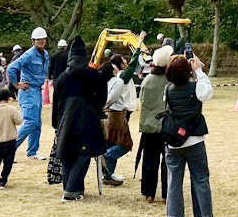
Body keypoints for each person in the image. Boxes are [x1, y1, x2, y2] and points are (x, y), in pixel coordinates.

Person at [164, 54, 219, 217]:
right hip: (194, 139)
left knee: (174, 180)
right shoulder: (196, 88)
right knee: (201, 179)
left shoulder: (168, 90)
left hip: (174, 141)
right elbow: (207, 92)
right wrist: (199, 71)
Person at [52, 36, 107, 201]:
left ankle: (73, 188)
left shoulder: (62, 78)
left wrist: (56, 124)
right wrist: (97, 112)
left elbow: (56, 103)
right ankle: (71, 191)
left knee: (68, 154)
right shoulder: (94, 75)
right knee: (84, 154)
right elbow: (102, 98)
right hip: (88, 119)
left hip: (66, 119)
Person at [7, 27, 50, 160]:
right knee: (30, 122)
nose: (41, 41)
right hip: (28, 91)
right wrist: (16, 85)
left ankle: (32, 152)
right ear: (33, 41)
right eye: (38, 40)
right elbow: (11, 68)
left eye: (43, 39)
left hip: (37, 90)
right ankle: (10, 150)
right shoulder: (28, 55)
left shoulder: (45, 54)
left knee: (37, 123)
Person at [138, 45, 172, 203]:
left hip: (149, 126)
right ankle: (167, 194)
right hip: (167, 126)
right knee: (168, 161)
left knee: (149, 161)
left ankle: (149, 193)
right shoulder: (171, 81)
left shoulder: (147, 80)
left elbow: (143, 101)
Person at [100, 53, 139, 186]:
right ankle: (106, 156)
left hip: (107, 114)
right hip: (116, 114)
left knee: (111, 141)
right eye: (123, 60)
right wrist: (139, 47)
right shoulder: (120, 79)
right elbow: (112, 98)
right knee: (125, 144)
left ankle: (108, 174)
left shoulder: (107, 80)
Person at [0, 88, 23, 190]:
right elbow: (19, 121)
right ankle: (2, 181)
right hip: (10, 140)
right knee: (8, 163)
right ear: (9, 98)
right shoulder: (11, 109)